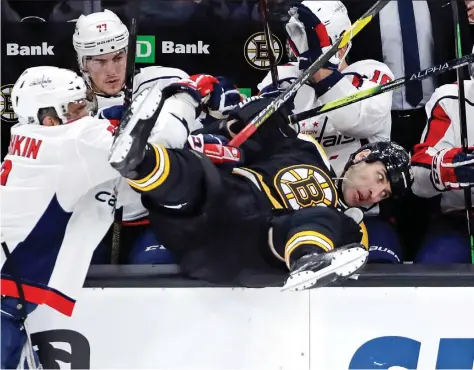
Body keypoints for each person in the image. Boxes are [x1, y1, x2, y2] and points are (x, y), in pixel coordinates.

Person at [107, 75, 413, 291]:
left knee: (321, 218)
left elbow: (347, 247)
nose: (374, 193)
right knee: (200, 174)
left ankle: (308, 261)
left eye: (383, 194)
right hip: (212, 212)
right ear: (362, 156)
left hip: (247, 247)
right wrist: (243, 117)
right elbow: (239, 132)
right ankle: (138, 160)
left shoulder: (348, 226)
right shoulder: (305, 148)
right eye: (380, 177)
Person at [72, 9, 242, 264]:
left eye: (119, 57)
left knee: (153, 269)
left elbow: (224, 117)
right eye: (99, 61)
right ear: (82, 62)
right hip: (94, 220)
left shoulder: (165, 82)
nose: (112, 70)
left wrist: (221, 100)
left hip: (158, 216)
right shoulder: (67, 99)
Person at [0, 66, 129, 369]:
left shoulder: (25, 135)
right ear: (50, 118)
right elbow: (146, 152)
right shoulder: (76, 139)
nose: (87, 112)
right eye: (77, 107)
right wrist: (180, 102)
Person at [258, 1, 401, 264]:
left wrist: (320, 71)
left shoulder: (372, 73)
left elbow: (355, 120)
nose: (299, 46)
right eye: (297, 37)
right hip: (289, 211)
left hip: (360, 217)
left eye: (310, 37)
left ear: (340, 43)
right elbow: (262, 143)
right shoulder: (280, 79)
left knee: (376, 269)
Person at [411, 64, 474, 263]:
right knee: (428, 278)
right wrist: (458, 166)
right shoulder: (449, 98)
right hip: (460, 218)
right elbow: (418, 179)